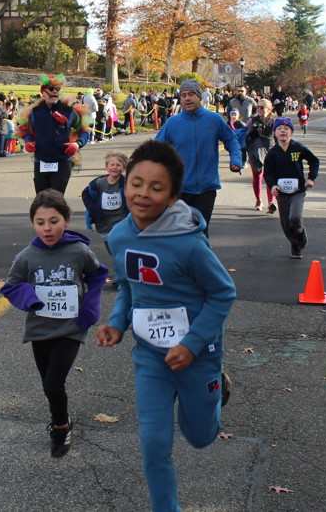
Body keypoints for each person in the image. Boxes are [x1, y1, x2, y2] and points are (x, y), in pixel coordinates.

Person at [96, 140, 235, 512]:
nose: (143, 194)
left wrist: (192, 344)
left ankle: (216, 386)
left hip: (198, 354)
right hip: (150, 356)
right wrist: (117, 324)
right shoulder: (119, 237)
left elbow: (223, 293)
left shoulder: (189, 244)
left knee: (201, 438)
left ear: (173, 197)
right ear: (125, 184)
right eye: (136, 183)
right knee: (154, 444)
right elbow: (129, 286)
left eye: (156, 188)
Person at [0, 189, 107, 458]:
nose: (47, 228)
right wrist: (30, 298)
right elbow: (11, 286)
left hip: (71, 328)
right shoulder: (27, 256)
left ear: (66, 220)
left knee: (53, 384)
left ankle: (61, 426)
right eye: (40, 222)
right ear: (33, 223)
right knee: (48, 383)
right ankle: (60, 417)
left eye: (54, 221)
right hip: (40, 329)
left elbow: (97, 274)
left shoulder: (78, 251)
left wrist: (90, 309)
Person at [154, 79, 241, 237]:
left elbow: (231, 140)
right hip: (180, 189)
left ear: (199, 96)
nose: (187, 98)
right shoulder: (172, 123)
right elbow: (155, 151)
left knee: (201, 231)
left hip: (207, 188)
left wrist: (236, 160)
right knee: (182, 232)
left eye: (191, 94)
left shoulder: (214, 119)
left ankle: (201, 252)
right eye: (183, 95)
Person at [18, 74, 91, 195]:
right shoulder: (35, 112)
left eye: (58, 89)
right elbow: (28, 132)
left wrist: (77, 144)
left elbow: (84, 131)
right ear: (43, 92)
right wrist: (28, 142)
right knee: (42, 198)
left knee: (56, 198)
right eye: (51, 89)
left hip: (62, 161)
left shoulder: (69, 111)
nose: (55, 91)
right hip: (41, 161)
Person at [263, 117, 319, 259]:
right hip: (281, 192)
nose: (283, 131)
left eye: (286, 129)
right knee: (286, 223)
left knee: (295, 216)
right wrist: (272, 185)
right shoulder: (272, 153)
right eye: (279, 129)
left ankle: (300, 235)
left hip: (297, 191)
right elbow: (268, 173)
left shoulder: (298, 147)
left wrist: (311, 178)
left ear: (291, 132)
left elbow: (314, 160)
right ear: (275, 133)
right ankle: (295, 244)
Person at [80, 152, 128, 277]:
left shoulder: (126, 183)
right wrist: (95, 210)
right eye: (112, 164)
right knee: (112, 251)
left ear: (124, 168)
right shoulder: (98, 183)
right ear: (106, 167)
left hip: (121, 221)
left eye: (119, 165)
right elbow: (85, 195)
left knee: (120, 249)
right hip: (104, 223)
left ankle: (120, 275)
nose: (115, 167)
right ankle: (120, 272)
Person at [245, 99, 276, 212]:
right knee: (257, 176)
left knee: (269, 177)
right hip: (255, 152)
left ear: (269, 109)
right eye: (257, 107)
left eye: (262, 107)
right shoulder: (252, 121)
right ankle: (258, 200)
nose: (259, 109)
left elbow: (279, 138)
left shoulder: (274, 122)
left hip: (270, 151)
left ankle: (271, 202)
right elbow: (245, 135)